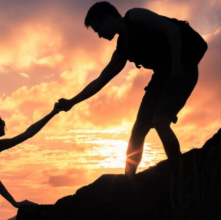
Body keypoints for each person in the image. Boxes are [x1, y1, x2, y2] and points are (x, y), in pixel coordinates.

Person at [57, 2, 207, 177]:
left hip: (183, 67)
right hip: (162, 76)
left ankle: (181, 173)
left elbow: (172, 29)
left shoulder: (135, 16)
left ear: (106, 18)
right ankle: (128, 181)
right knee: (138, 129)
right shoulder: (123, 50)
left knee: (160, 121)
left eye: (98, 29)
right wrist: (71, 102)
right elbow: (100, 80)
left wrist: (176, 65)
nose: (99, 35)